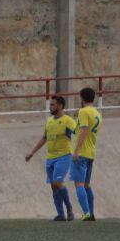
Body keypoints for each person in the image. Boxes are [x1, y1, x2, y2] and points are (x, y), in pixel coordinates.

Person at [24, 94, 76, 221]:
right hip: (50, 158)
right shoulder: (49, 121)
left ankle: (69, 208)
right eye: (50, 105)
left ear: (60, 106)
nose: (50, 107)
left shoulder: (68, 120)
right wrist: (32, 152)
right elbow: (44, 138)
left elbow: (79, 132)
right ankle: (61, 215)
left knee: (58, 183)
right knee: (53, 186)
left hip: (64, 156)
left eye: (53, 105)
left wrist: (79, 150)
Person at [70, 87, 101, 221]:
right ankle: (91, 213)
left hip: (81, 152)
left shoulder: (83, 112)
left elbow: (83, 130)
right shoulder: (97, 113)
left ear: (82, 98)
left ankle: (86, 213)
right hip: (91, 153)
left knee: (79, 184)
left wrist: (76, 150)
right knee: (87, 185)